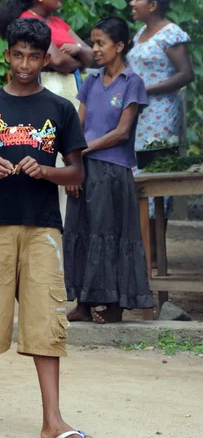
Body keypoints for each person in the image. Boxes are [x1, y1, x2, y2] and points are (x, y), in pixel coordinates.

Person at [0, 18, 102, 438]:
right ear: (7, 54)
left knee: (47, 321)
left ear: (46, 59)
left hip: (43, 229)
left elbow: (77, 170)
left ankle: (53, 420)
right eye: (18, 55)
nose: (25, 64)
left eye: (34, 57)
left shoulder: (59, 109)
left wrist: (47, 171)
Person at [64, 17, 155, 324]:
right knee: (81, 230)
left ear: (120, 46)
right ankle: (84, 303)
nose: (95, 49)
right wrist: (73, 162)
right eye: (93, 43)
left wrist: (84, 150)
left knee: (110, 233)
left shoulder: (132, 83)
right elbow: (78, 124)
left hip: (113, 170)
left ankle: (116, 304)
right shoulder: (90, 80)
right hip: (85, 167)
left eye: (101, 43)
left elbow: (122, 132)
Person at [0, 0, 94, 221]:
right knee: (52, 150)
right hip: (49, 88)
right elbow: (58, 61)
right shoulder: (30, 21)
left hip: (72, 92)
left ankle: (72, 230)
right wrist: (76, 58)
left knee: (72, 150)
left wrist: (78, 49)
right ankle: (56, 225)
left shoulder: (57, 23)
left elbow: (93, 55)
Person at [128, 0, 194, 260]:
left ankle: (156, 253)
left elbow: (185, 74)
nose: (132, 2)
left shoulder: (171, 34)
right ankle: (144, 249)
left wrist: (146, 89)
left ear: (152, 5)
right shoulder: (141, 33)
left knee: (157, 179)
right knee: (139, 177)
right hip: (139, 115)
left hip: (161, 115)